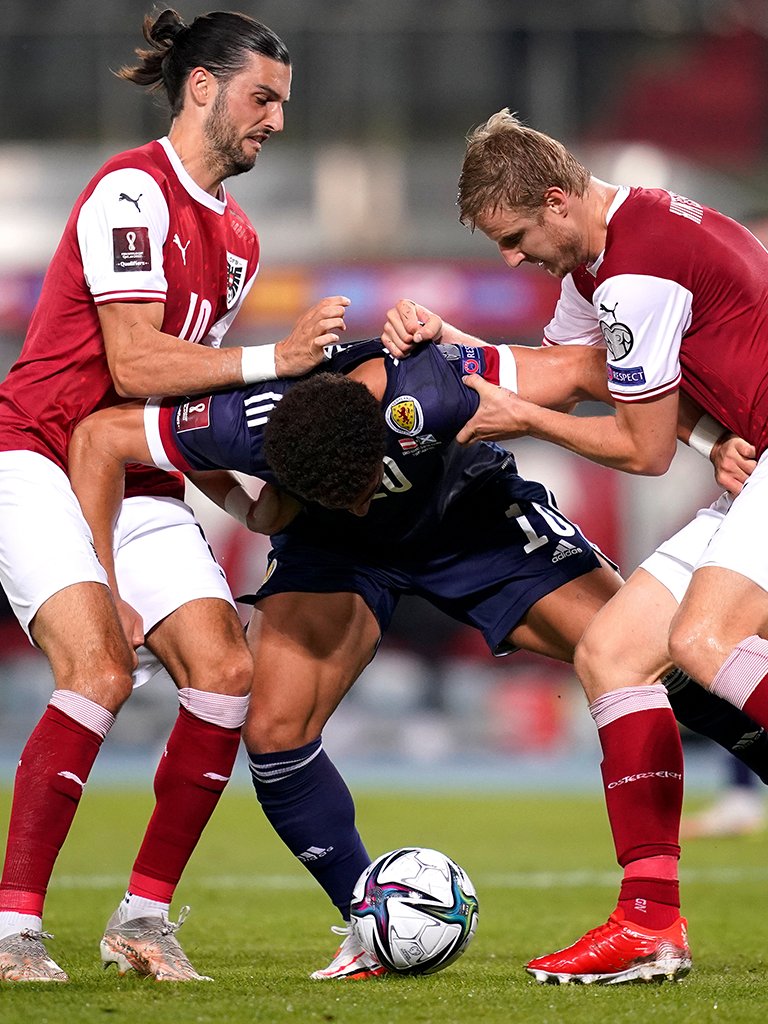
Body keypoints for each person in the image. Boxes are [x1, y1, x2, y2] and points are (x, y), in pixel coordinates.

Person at [68, 334, 768, 983]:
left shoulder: (434, 383)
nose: (368, 494)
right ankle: (374, 922)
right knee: (274, 731)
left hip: (474, 522)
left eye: (369, 480)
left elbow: (589, 370)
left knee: (643, 654)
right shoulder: (241, 423)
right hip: (335, 553)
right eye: (345, 494)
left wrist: (708, 440)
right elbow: (101, 436)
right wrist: (107, 586)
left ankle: (661, 896)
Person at [0, 8, 349, 983]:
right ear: (202, 87)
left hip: (137, 465)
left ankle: (142, 921)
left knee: (225, 673)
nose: (276, 119)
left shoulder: (238, 239)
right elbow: (135, 358)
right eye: (262, 97)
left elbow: (186, 397)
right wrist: (276, 358)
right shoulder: (129, 191)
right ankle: (11, 931)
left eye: (282, 101)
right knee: (103, 668)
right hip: (36, 449)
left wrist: (258, 501)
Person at [381, 108, 768, 984]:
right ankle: (648, 924)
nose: (512, 259)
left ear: (556, 200)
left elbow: (642, 447)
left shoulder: (630, 272)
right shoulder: (601, 253)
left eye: (516, 237)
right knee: (614, 651)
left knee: (703, 642)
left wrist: (522, 421)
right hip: (755, 459)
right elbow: (571, 371)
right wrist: (450, 344)